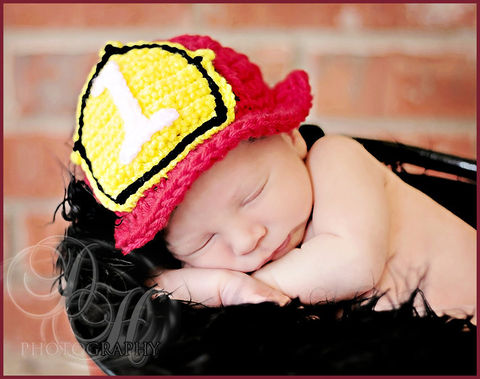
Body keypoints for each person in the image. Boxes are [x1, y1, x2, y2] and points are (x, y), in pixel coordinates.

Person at [68, 35, 476, 322]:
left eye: (252, 195)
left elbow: (354, 265)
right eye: (204, 241)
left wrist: (224, 289)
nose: (248, 239)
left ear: (289, 136)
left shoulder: (337, 158)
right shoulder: (270, 257)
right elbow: (156, 293)